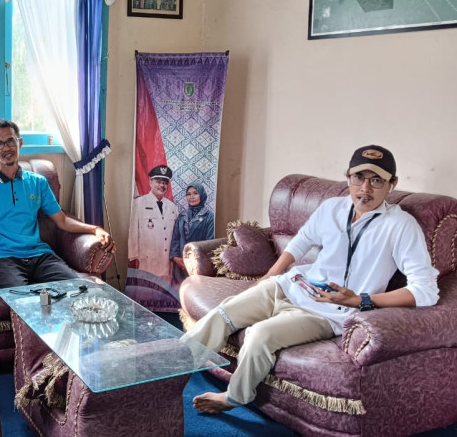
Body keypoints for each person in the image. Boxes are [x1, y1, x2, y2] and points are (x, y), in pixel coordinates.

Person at [183, 145, 439, 414]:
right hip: (291, 285)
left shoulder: (401, 226)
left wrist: (360, 300)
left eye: (376, 180)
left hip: (328, 313)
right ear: (348, 177)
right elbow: (302, 240)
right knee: (223, 314)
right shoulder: (332, 208)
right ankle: (168, 372)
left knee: (259, 335)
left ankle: (234, 398)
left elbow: (426, 291)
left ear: (392, 184)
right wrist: (270, 275)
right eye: (358, 178)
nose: (365, 188)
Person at [0, 119, 115, 289]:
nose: (6, 148)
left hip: (40, 255)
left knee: (75, 290)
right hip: (1, 258)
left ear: (20, 143)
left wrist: (95, 229)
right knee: (23, 299)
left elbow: (62, 220)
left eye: (11, 141)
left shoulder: (38, 182)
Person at [128, 165, 179, 281]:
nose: (162, 185)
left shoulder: (172, 207)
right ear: (150, 182)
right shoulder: (139, 203)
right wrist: (133, 257)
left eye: (165, 183)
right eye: (158, 182)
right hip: (146, 261)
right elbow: (133, 232)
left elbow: (175, 236)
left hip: (166, 262)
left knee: (164, 290)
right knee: (146, 291)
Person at [170, 182, 215, 279]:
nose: (191, 197)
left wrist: (194, 262)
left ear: (202, 195)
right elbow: (175, 239)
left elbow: (210, 243)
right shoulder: (182, 216)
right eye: (188, 194)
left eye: (195, 193)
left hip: (199, 264)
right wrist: (176, 257)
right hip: (181, 264)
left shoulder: (209, 217)